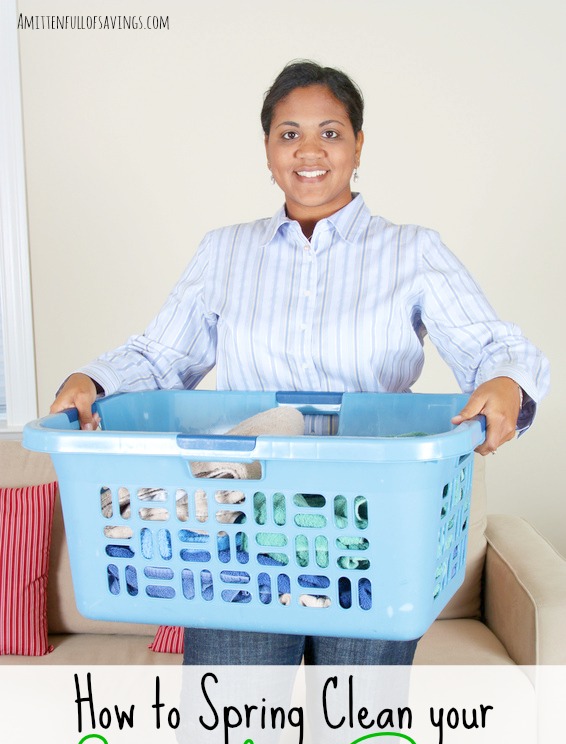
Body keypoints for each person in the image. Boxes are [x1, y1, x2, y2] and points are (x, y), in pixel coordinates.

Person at [50, 60, 549, 670]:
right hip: (240, 539)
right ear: (266, 150)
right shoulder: (224, 251)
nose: (308, 151)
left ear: (359, 144)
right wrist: (93, 381)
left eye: (330, 132)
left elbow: (493, 346)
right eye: (289, 134)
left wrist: (505, 381)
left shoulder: (412, 252)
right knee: (231, 741)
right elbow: (161, 356)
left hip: (370, 534)